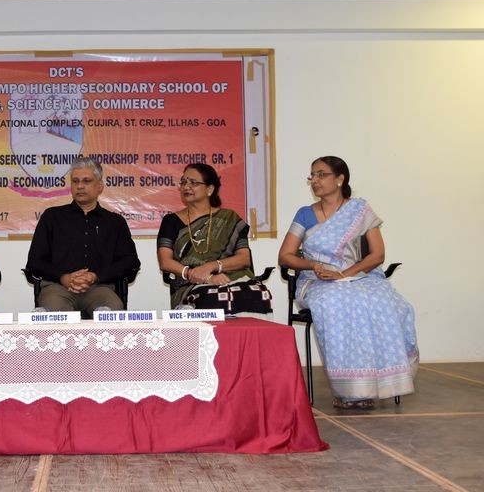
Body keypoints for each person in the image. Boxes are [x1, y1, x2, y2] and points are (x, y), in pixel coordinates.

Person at [278, 156, 418, 410]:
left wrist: (345, 274)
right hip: (318, 281)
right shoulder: (305, 214)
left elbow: (377, 255)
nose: (315, 180)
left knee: (388, 302)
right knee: (334, 302)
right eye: (312, 175)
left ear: (340, 179)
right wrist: (315, 266)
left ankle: (382, 383)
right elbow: (285, 256)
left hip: (357, 276)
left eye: (321, 174)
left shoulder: (360, 211)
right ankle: (348, 390)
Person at [25, 157, 140, 318]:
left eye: (86, 181)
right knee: (52, 314)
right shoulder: (52, 217)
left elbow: (130, 261)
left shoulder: (114, 222)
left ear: (100, 186)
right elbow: (35, 261)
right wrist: (63, 277)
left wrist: (95, 276)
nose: (80, 186)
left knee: (111, 310)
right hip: (58, 289)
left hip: (100, 289)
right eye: (75, 181)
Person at [157, 163, 272, 316]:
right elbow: (165, 261)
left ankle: (249, 340)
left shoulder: (229, 219)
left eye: (193, 183)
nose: (186, 186)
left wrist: (212, 266)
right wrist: (199, 275)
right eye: (183, 182)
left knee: (258, 293)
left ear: (210, 189)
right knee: (214, 297)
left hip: (230, 277)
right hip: (190, 283)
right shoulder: (171, 221)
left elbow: (244, 259)